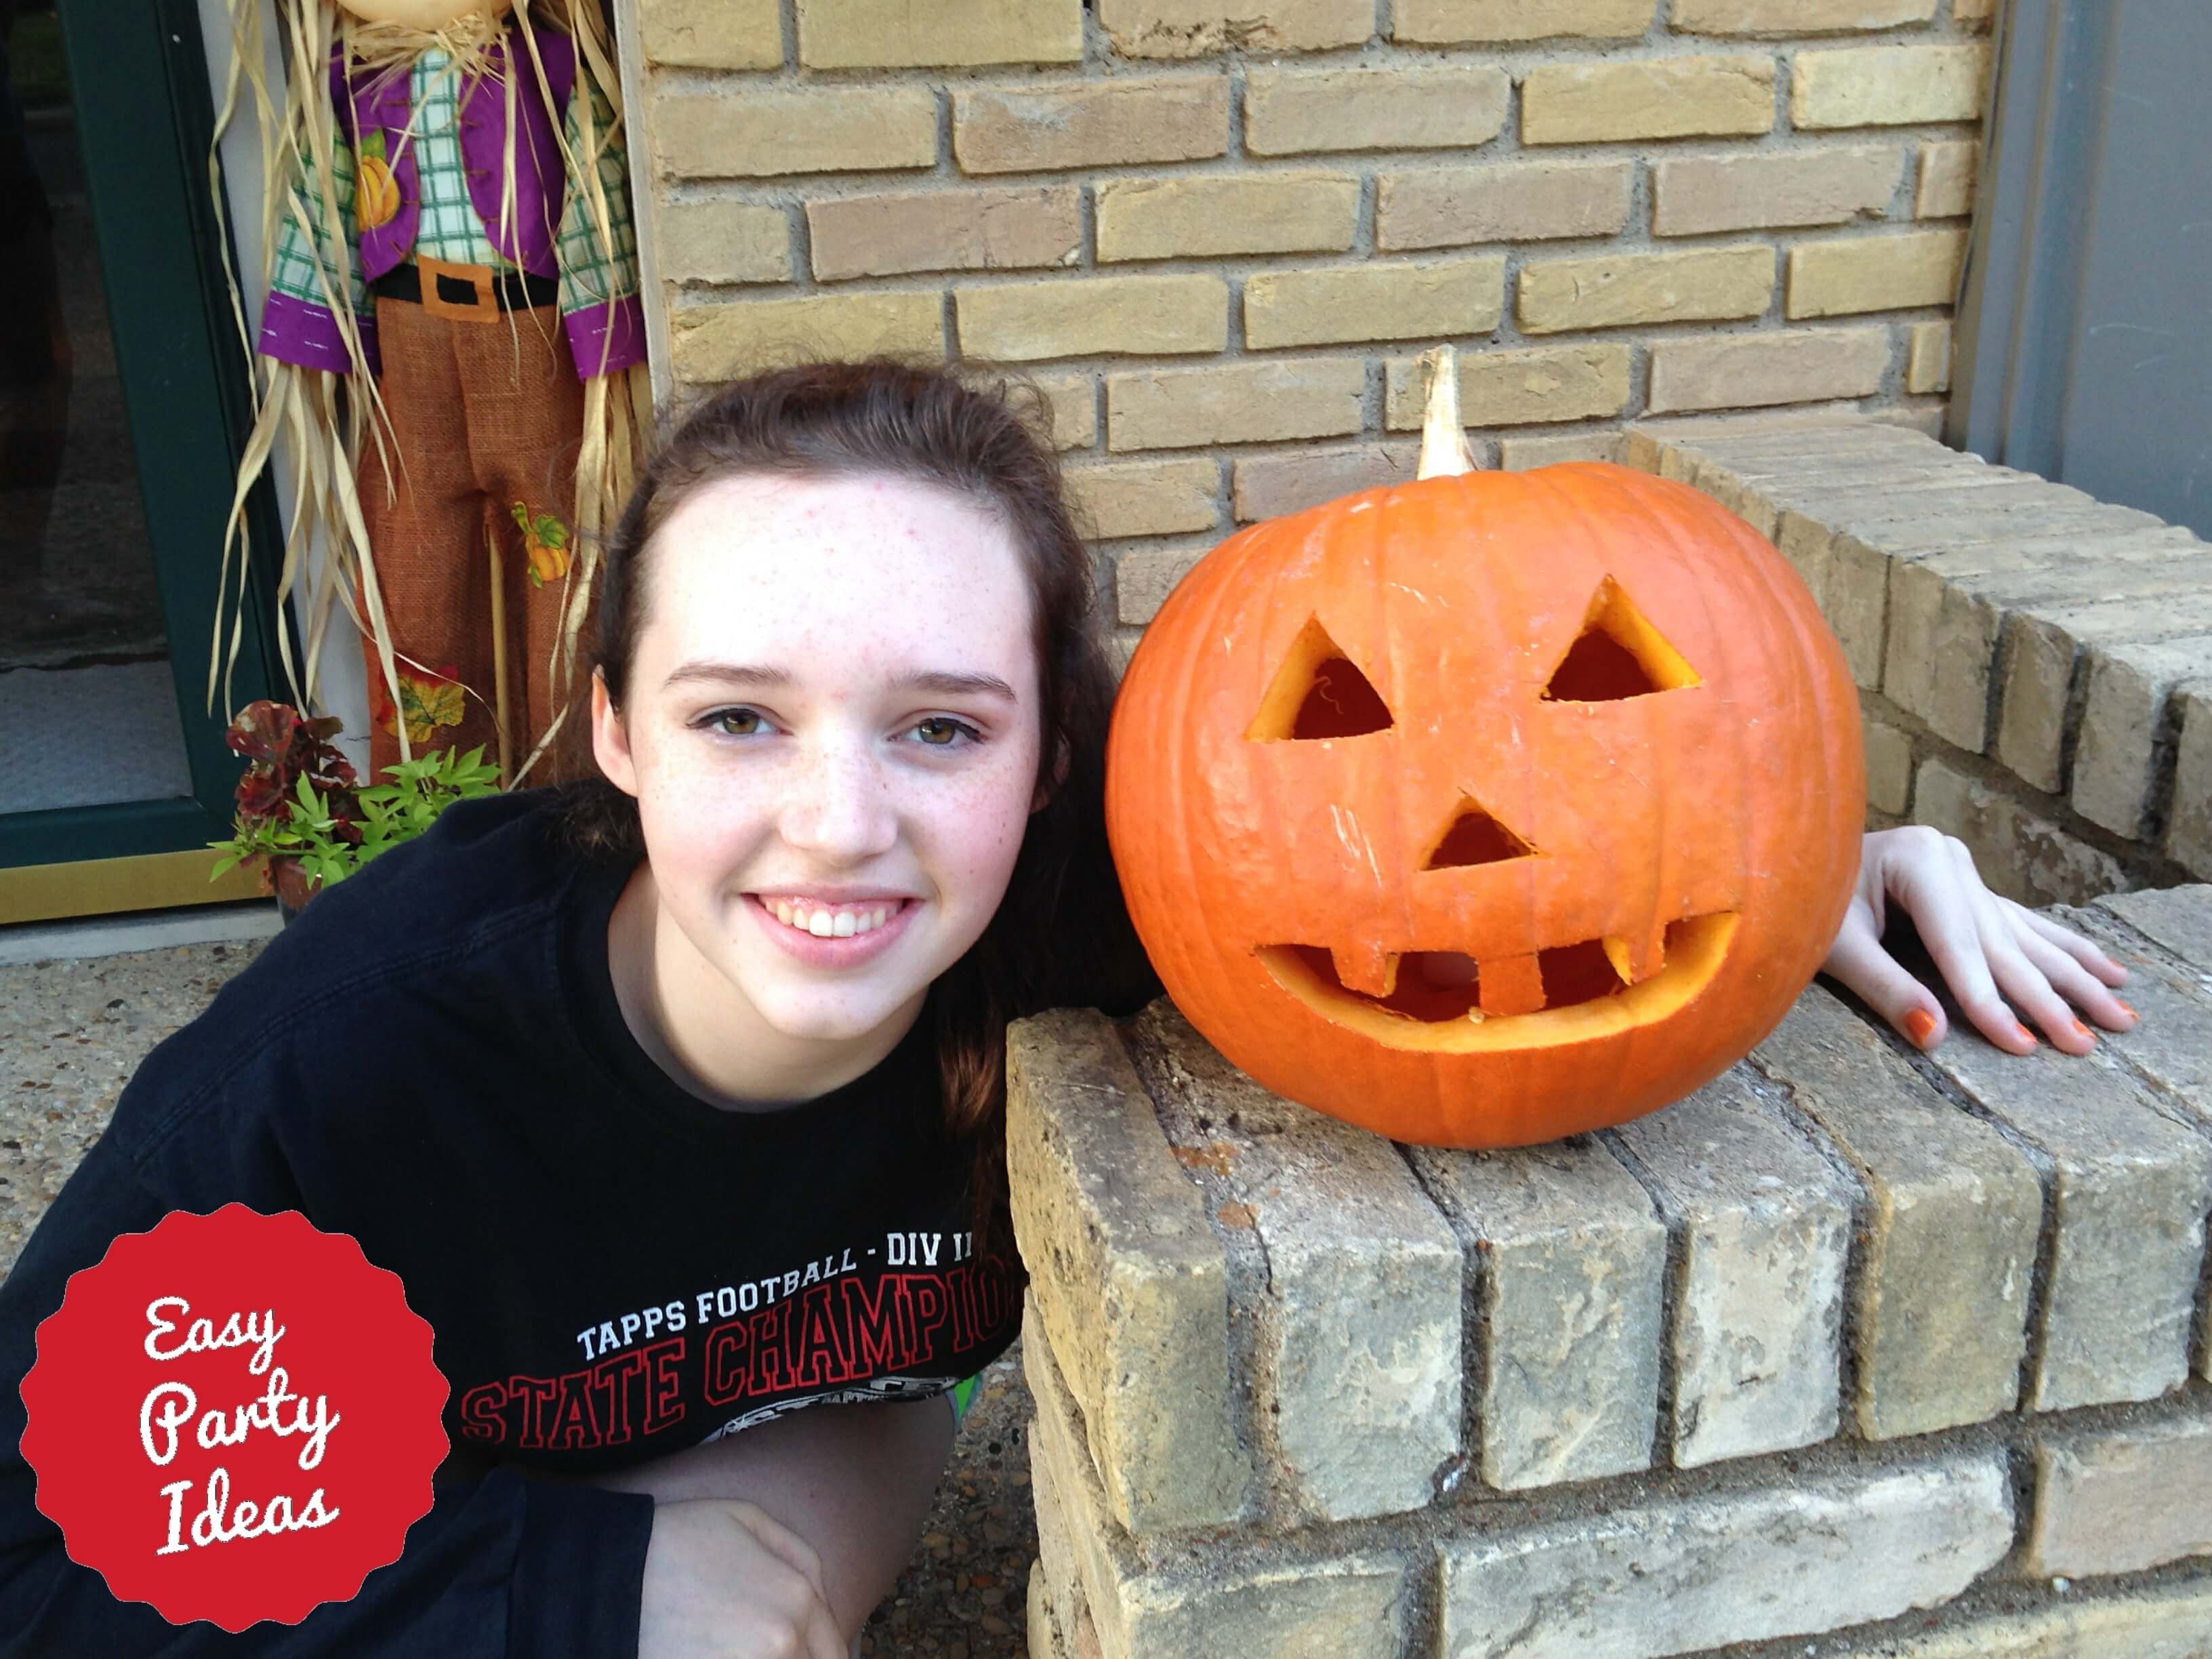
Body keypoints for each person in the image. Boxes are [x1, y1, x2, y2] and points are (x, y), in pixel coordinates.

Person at [0, 359, 2137, 1658]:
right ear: (617, 731)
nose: (840, 829)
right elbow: (55, 1562)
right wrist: (560, 1608)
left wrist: (1819, 864)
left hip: (819, 1422)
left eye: (941, 729)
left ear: (1057, 758)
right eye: (743, 716)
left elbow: (1482, 851)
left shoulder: (1134, 896)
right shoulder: (350, 1071)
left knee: (760, 1606)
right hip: (419, 1499)